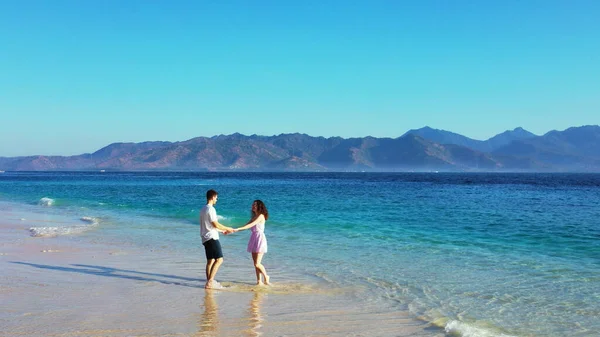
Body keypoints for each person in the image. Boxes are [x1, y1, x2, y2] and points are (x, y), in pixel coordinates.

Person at [200, 189, 234, 289]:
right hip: (211, 238)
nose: (217, 200)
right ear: (213, 197)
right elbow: (215, 223)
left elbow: (209, 225)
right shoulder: (211, 209)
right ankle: (210, 282)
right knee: (219, 260)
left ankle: (209, 282)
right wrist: (227, 228)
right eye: (216, 198)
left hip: (205, 238)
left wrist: (221, 231)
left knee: (210, 261)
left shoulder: (203, 209)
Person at [235, 200, 271, 285]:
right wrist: (233, 230)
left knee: (257, 263)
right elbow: (245, 226)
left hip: (259, 239)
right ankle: (259, 281)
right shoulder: (254, 216)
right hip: (253, 238)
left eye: (255, 205)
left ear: (259, 206)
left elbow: (250, 225)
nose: (253, 206)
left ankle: (266, 276)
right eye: (253, 205)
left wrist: (236, 229)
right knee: (255, 264)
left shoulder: (261, 216)